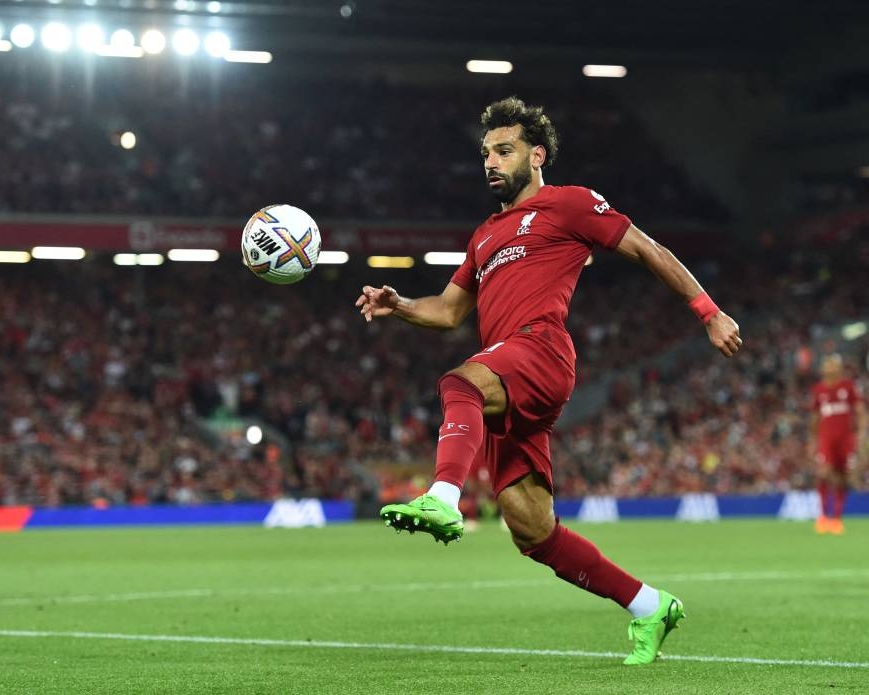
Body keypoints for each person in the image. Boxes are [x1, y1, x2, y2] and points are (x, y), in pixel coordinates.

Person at [355, 96, 742, 665]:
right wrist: (401, 304)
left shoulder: (571, 204)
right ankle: (650, 606)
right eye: (486, 152)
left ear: (536, 155)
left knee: (457, 384)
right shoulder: (485, 235)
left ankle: (444, 496)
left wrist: (709, 313)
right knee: (533, 533)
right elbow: (447, 312)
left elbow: (647, 249)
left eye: (504, 151)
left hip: (540, 350)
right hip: (508, 368)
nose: (491, 161)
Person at [809, 353, 865, 535]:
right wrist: (811, 441)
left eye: (833, 365)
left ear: (839, 368)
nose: (829, 368)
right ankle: (823, 517)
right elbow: (815, 418)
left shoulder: (848, 387)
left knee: (842, 476)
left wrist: (862, 435)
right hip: (826, 438)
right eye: (827, 365)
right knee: (824, 472)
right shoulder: (819, 390)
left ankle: (837, 519)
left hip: (845, 438)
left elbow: (860, 412)